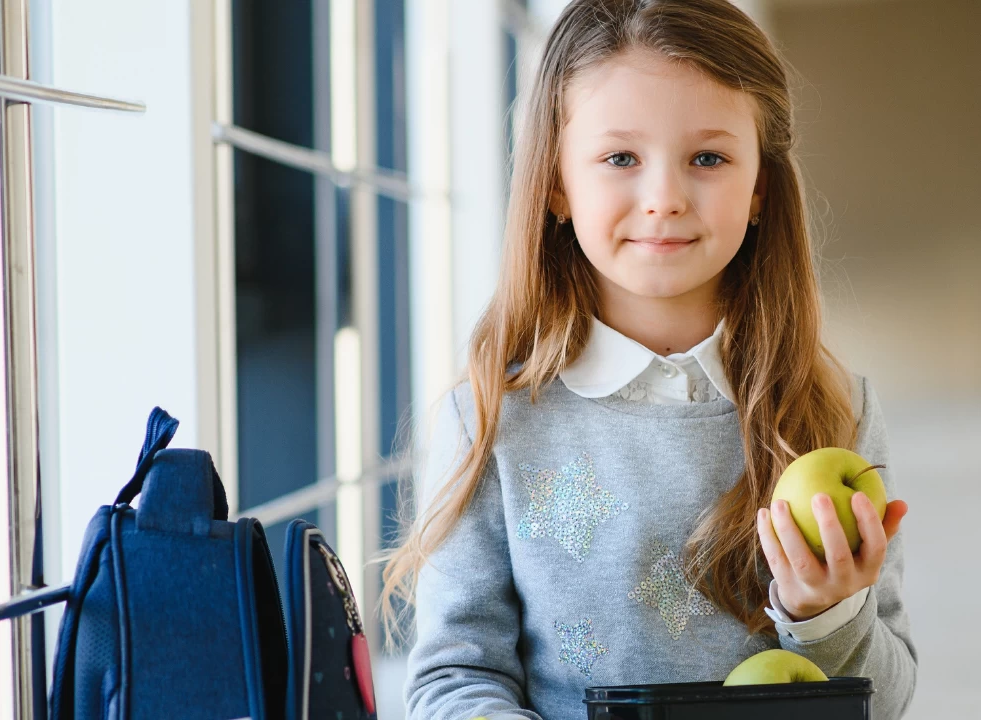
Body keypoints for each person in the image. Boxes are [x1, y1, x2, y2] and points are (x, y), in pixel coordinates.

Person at [382, 1, 915, 717]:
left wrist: (825, 614)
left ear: (760, 188)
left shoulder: (833, 408)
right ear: (558, 185)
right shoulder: (490, 418)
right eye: (621, 158)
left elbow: (889, 702)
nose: (664, 198)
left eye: (708, 158)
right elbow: (452, 681)